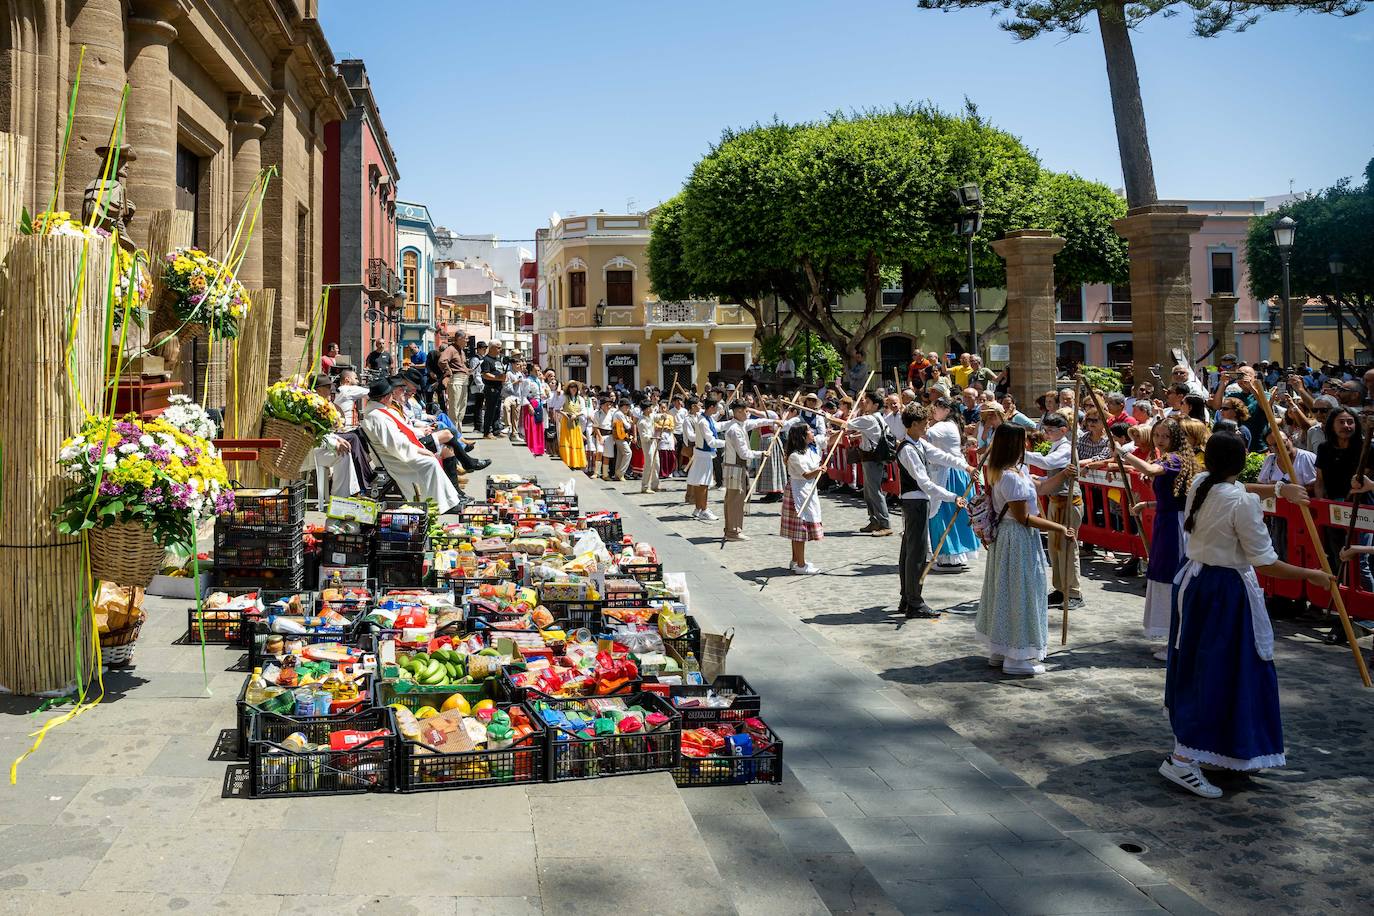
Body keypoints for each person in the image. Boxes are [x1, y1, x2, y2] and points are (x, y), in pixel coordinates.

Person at [1160, 432, 1334, 798]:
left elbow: (1237, 488)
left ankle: (1208, 746)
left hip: (1196, 583)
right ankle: (1182, 759)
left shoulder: (1202, 482)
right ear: (1240, 462)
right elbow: (1265, 561)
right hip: (1224, 591)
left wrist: (1280, 490)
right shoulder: (1239, 501)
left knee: (1204, 667)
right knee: (1218, 671)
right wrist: (1311, 575)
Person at [975, 424, 1076, 676]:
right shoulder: (1009, 476)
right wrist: (1059, 527)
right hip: (1016, 539)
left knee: (1006, 591)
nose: (1027, 444)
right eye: (1023, 441)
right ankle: (1016, 657)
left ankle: (1000, 650)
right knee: (1021, 593)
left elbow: (1040, 488)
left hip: (1010, 539)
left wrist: (1064, 474)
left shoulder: (1013, 470)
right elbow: (1024, 518)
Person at [1092, 418, 1195, 658]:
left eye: (1165, 436)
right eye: (1157, 435)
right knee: (1161, 573)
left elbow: (1149, 471)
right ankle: (1171, 636)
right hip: (1165, 521)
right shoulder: (1166, 458)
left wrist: (1122, 453)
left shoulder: (1175, 459)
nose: (1160, 440)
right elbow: (1172, 497)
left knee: (1171, 575)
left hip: (1175, 526)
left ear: (1176, 438)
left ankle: (1178, 639)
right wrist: (1147, 504)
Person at [896, 403, 964, 619]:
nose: (928, 426)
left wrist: (966, 466)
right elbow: (924, 482)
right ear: (914, 424)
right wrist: (952, 497)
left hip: (917, 502)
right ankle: (914, 602)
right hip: (914, 503)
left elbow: (941, 456)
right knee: (916, 553)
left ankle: (908, 597)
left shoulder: (919, 443)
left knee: (910, 551)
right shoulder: (908, 449)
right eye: (924, 423)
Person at [360, 375, 462, 513]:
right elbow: (395, 444)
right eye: (390, 395)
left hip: (395, 452)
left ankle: (448, 500)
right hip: (393, 458)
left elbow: (397, 439)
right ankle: (441, 504)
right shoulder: (377, 416)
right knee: (430, 462)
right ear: (385, 398)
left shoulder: (378, 412)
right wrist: (419, 450)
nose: (392, 397)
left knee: (433, 458)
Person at [1024, 413, 1082, 608]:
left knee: (1067, 548)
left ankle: (1074, 592)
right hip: (1055, 501)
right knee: (1055, 548)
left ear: (1063, 430)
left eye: (1050, 430)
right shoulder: (1055, 446)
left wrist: (1021, 454)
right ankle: (1060, 588)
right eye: (1045, 430)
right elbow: (1050, 471)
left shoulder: (1066, 448)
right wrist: (1039, 479)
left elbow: (1047, 463)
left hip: (1068, 502)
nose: (1046, 434)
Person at [925, 398, 978, 571]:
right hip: (955, 472)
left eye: (937, 407)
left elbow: (924, 435)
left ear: (947, 410)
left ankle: (949, 556)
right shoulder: (950, 425)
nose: (934, 410)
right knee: (954, 515)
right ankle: (953, 555)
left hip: (949, 475)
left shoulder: (944, 426)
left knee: (944, 514)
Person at [780, 422, 824, 573]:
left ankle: (795, 560)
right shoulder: (794, 456)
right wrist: (819, 470)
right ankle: (800, 565)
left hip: (807, 490)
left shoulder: (808, 450)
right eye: (809, 431)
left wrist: (841, 431)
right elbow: (806, 475)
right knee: (799, 531)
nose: (812, 432)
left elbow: (828, 441)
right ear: (802, 436)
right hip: (797, 492)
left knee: (798, 531)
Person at [721, 400, 766, 541]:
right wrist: (761, 454)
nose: (748, 414)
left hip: (736, 467)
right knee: (735, 500)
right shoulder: (735, 429)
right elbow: (744, 453)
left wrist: (774, 422)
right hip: (735, 468)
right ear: (738, 412)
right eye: (746, 411)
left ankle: (731, 529)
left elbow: (757, 422)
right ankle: (733, 531)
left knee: (734, 499)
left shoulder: (740, 425)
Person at [851, 391, 894, 536]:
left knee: (874, 491)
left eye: (868, 402)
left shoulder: (870, 419)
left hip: (872, 458)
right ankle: (874, 520)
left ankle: (885, 524)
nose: (864, 403)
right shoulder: (877, 417)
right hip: (871, 457)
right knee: (869, 492)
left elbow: (847, 424)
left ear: (875, 405)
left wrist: (829, 417)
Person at [684, 397, 724, 521]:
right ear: (711, 407)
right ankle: (704, 509)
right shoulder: (701, 421)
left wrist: (731, 422)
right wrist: (728, 442)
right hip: (703, 453)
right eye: (716, 407)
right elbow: (709, 441)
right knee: (703, 483)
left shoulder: (706, 418)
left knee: (700, 482)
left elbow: (717, 425)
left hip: (703, 453)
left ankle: (698, 508)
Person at [556, 381, 587, 470]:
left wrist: (576, 415)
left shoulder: (580, 399)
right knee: (567, 440)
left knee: (575, 440)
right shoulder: (564, 397)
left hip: (576, 421)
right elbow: (557, 408)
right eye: (571, 387)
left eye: (575, 387)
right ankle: (567, 461)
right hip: (567, 421)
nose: (573, 389)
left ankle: (576, 462)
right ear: (568, 388)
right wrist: (565, 414)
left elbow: (584, 411)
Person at [479, 342, 506, 438]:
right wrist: (498, 378)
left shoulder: (498, 359)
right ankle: (487, 432)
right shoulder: (486, 360)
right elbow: (485, 374)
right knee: (490, 409)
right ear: (491, 348)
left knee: (497, 410)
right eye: (498, 347)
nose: (500, 349)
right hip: (491, 388)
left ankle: (496, 430)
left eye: (500, 347)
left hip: (498, 387)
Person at [610, 397, 634, 480]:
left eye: (628, 406)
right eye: (626, 406)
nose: (627, 408)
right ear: (621, 406)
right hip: (619, 436)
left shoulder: (620, 414)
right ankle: (620, 473)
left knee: (620, 455)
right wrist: (629, 422)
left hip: (620, 436)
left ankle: (617, 474)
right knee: (628, 453)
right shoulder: (619, 414)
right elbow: (627, 426)